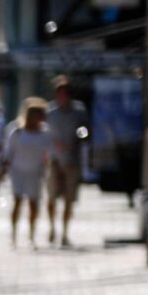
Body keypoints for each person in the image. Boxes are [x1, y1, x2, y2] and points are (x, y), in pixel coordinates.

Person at [0, 96, 56, 247]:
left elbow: (49, 153)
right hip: (18, 171)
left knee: (33, 204)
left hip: (35, 172)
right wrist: (3, 170)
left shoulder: (45, 133)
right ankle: (13, 234)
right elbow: (8, 152)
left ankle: (31, 235)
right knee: (17, 201)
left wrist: (48, 166)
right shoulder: (17, 131)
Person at [47, 76, 90, 246]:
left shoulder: (79, 111)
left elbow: (85, 131)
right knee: (51, 197)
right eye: (59, 93)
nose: (62, 96)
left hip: (72, 160)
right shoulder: (50, 112)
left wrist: (79, 138)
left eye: (65, 93)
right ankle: (52, 227)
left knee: (69, 199)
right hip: (54, 160)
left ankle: (64, 232)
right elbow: (45, 134)